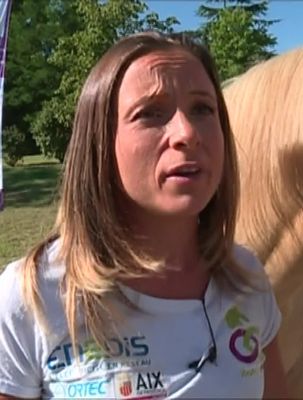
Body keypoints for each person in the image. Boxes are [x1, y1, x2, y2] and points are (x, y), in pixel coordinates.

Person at [0, 32, 287, 399]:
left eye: (203, 109)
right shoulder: (31, 296)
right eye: (150, 113)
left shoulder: (247, 279)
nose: (187, 133)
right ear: (100, 144)